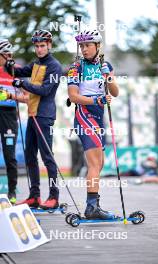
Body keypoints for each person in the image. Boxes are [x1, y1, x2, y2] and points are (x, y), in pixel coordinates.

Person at [5, 30, 62, 209]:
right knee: (30, 156)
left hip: (44, 115)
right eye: (36, 46)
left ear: (49, 45)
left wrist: (22, 83)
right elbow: (19, 72)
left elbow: (45, 90)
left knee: (47, 157)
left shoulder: (54, 66)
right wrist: (9, 62)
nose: (39, 49)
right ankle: (35, 196)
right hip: (32, 114)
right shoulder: (37, 62)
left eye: (42, 46)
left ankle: (54, 197)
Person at [67, 29, 119, 219]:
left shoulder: (106, 65)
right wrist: (97, 100)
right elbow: (73, 96)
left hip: (99, 118)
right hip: (84, 116)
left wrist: (109, 77)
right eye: (82, 46)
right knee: (95, 163)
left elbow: (115, 93)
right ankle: (91, 208)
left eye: (88, 45)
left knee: (100, 163)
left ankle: (94, 205)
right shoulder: (76, 67)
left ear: (97, 46)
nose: (84, 49)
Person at [0, 39, 28, 204]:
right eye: (7, 54)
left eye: (11, 54)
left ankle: (12, 192)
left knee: (9, 155)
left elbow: (27, 97)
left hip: (9, 115)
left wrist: (11, 96)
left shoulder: (15, 70)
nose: (10, 57)